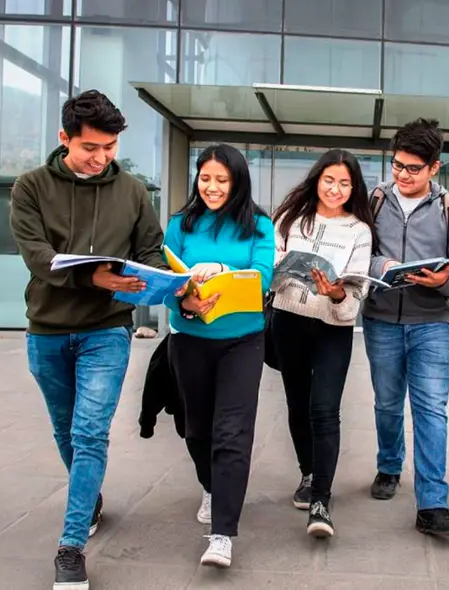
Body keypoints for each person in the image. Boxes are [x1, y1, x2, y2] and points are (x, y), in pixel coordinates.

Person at [10, 89, 168, 590]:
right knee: (65, 432)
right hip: (48, 331)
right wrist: (89, 277)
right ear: (65, 139)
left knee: (89, 433)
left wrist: (164, 282)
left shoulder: (134, 192)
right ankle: (90, 494)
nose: (101, 159)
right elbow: (37, 255)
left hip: (107, 330)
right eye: (91, 148)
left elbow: (151, 250)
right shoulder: (30, 186)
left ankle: (71, 545)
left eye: (110, 148)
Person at [362, 118, 449, 537]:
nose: (403, 176)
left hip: (432, 323)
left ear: (435, 167)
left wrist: (442, 281)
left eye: (413, 168)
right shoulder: (374, 200)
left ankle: (432, 504)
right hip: (381, 321)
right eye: (398, 166)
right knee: (387, 404)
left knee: (431, 410)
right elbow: (360, 254)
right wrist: (383, 266)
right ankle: (389, 466)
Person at [163, 143, 275, 568]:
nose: (211, 187)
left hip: (242, 341)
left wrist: (224, 273)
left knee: (232, 432)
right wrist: (184, 302)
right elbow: (166, 279)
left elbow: (264, 278)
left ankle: (223, 533)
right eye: (205, 178)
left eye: (221, 180)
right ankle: (210, 487)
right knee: (196, 431)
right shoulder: (180, 223)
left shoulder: (259, 226)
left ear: (238, 182)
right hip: (189, 339)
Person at [269, 149, 377, 538]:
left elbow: (357, 290)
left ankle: (321, 500)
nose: (336, 188)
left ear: (354, 188)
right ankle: (309, 473)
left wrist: (334, 293)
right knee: (297, 405)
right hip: (288, 322)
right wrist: (282, 273)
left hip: (332, 328)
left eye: (345, 183)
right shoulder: (289, 219)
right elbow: (271, 270)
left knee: (324, 409)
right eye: (329, 180)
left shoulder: (359, 230)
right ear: (317, 179)